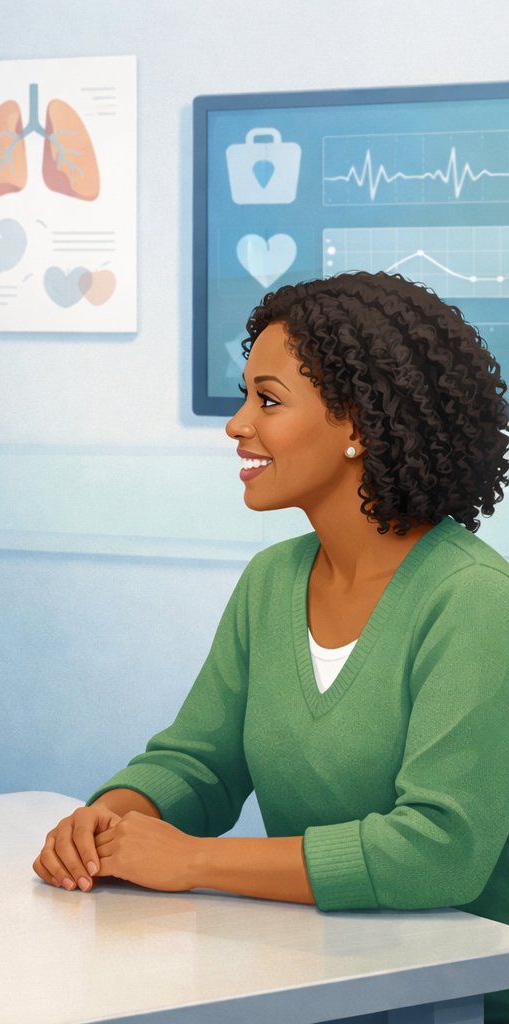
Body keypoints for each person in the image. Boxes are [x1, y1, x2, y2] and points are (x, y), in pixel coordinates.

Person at [34, 271, 509, 1021]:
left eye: (269, 399)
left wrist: (188, 860)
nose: (237, 424)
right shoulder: (272, 582)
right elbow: (201, 763)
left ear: (358, 421)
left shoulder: (475, 600)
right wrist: (116, 819)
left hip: (450, 993)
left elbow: (438, 851)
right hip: (316, 978)